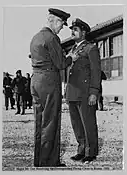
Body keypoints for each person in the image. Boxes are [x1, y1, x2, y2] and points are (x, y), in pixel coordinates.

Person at [30, 8, 72, 167]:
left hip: (36, 80)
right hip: (49, 82)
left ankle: (39, 160)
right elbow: (61, 64)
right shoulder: (52, 38)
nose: (62, 27)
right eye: (61, 23)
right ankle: (49, 161)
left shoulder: (36, 37)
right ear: (53, 20)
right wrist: (71, 58)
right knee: (51, 122)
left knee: (40, 122)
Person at [65, 18, 101, 163]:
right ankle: (81, 149)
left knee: (88, 123)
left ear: (83, 32)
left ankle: (91, 152)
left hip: (85, 93)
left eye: (75, 29)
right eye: (72, 29)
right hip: (73, 93)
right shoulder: (72, 50)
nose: (72, 32)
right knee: (77, 124)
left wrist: (94, 92)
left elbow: (96, 72)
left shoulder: (90, 48)